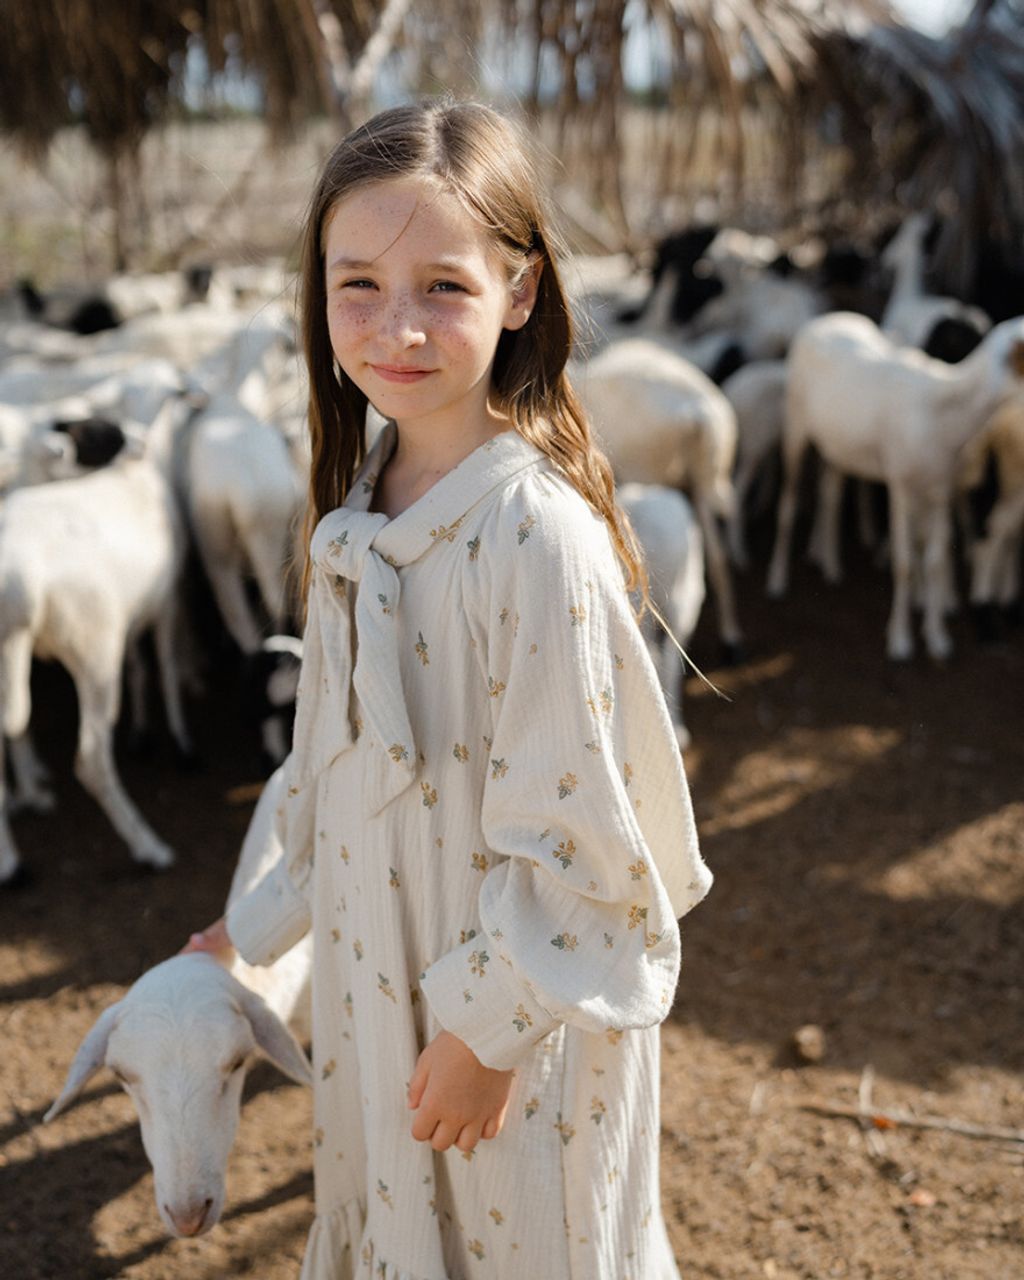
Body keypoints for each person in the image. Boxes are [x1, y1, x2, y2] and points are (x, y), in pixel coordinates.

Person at [186, 99, 711, 1280]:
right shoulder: (349, 521)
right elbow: (334, 773)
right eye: (357, 283)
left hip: (507, 1037)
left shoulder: (532, 539)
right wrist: (250, 930)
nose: (396, 327)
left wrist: (489, 1028)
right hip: (379, 991)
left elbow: (591, 845)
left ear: (519, 291)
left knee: (518, 1237)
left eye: (445, 286)